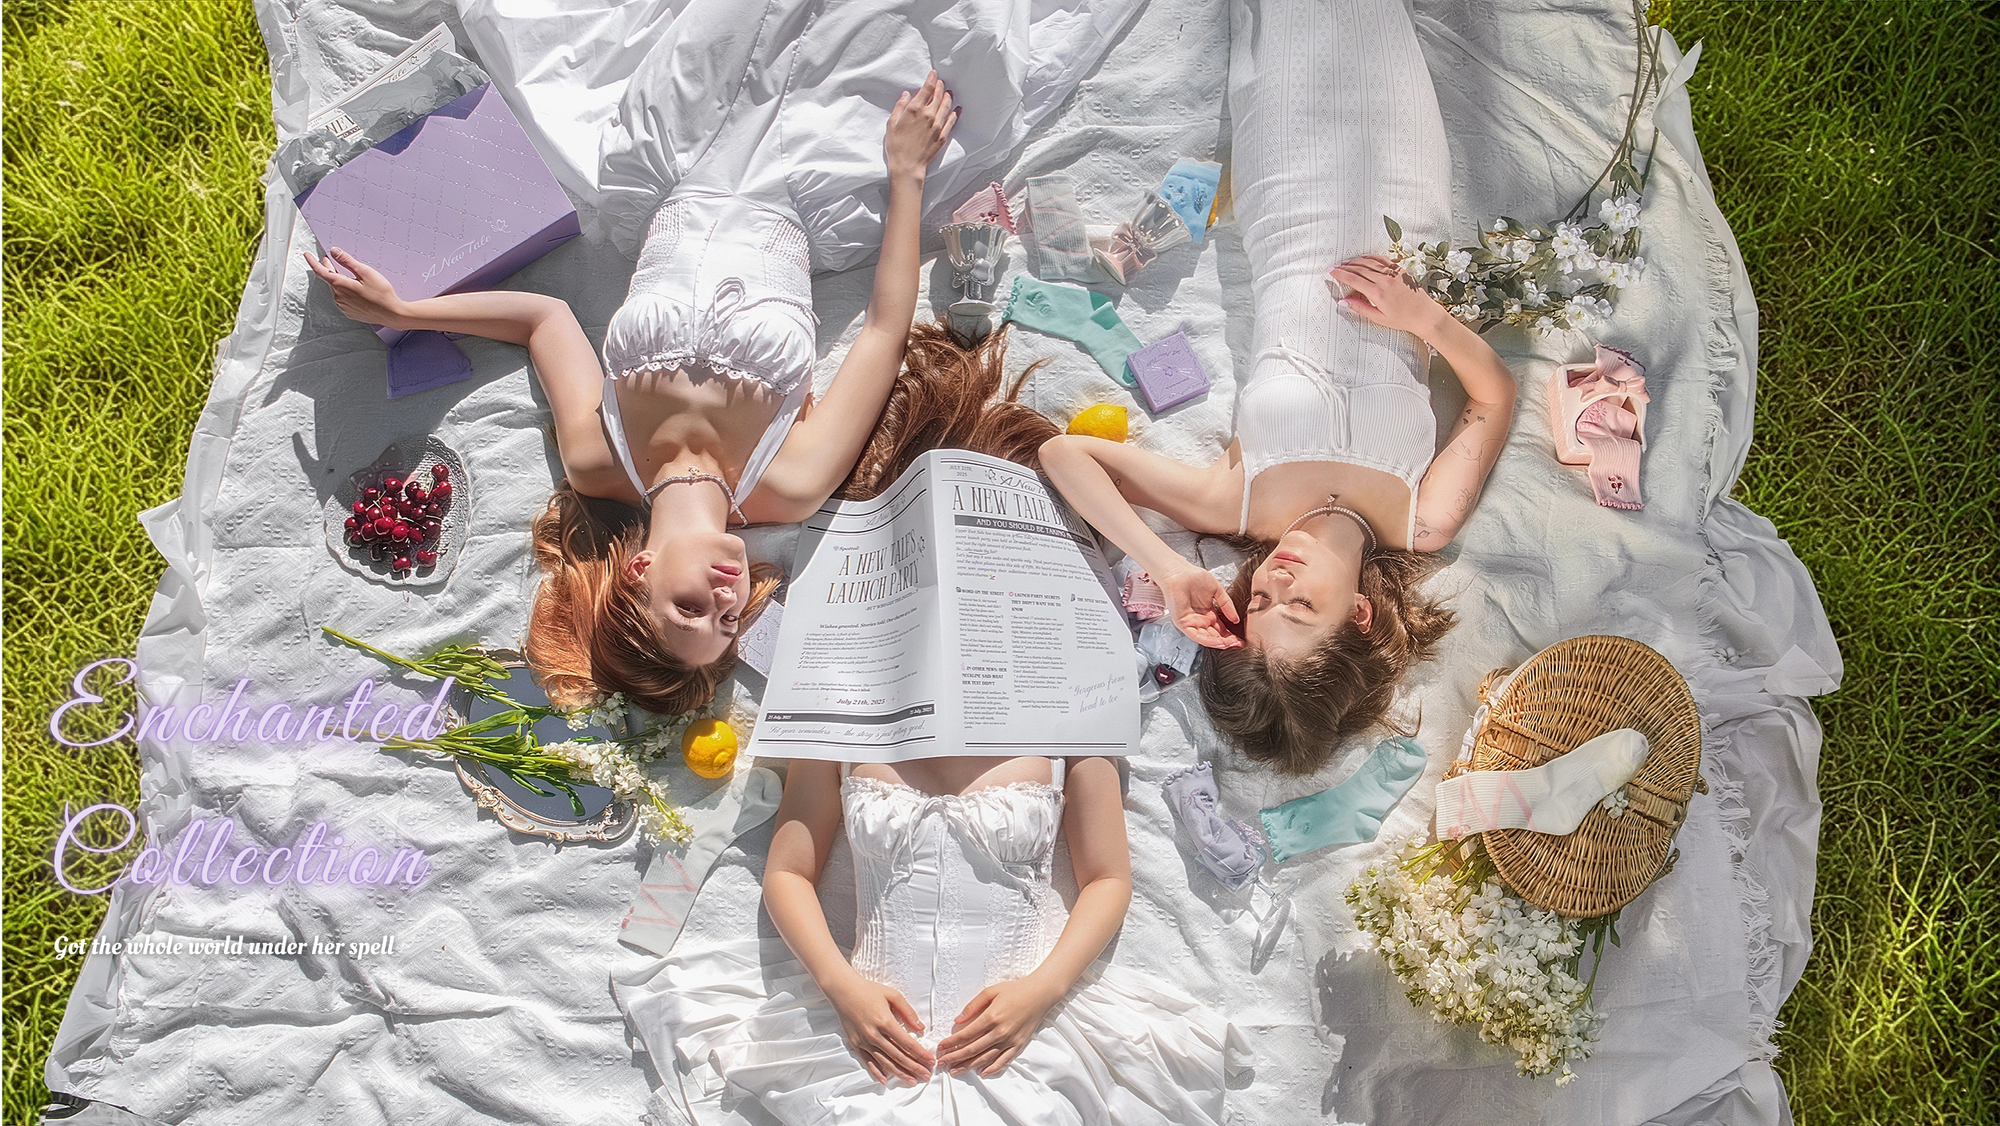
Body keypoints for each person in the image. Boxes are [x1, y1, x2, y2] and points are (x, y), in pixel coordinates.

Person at [305, 75, 963, 717]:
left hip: (681, 149)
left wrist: (408, 312)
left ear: (639, 571)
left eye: (690, 609)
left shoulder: (597, 464)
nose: (724, 600)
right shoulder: (793, 486)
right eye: (728, 622)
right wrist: (906, 175)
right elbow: (884, 332)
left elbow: (544, 321)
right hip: (812, 179)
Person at [1038, 0, 1517, 775]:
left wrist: (1170, 570)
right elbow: (1493, 395)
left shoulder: (1239, 504)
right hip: (1403, 203)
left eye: (1260, 601)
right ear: (1358, 614)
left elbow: (1065, 457)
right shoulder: (1422, 519)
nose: (1277, 580)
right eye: (1302, 605)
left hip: (1292, 190)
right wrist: (1425, 319)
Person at [639, 752, 1244, 1125]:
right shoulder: (839, 718)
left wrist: (1043, 990)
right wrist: (840, 986)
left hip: (1028, 1031)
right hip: (865, 1034)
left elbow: (1108, 879)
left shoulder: (1072, 720)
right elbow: (788, 872)